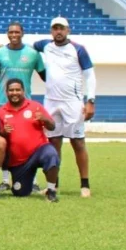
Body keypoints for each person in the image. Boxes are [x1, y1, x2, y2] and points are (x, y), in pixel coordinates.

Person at [33, 17, 96, 198]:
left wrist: (90, 100)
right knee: (53, 143)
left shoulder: (78, 49)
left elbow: (90, 76)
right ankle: (54, 184)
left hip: (73, 102)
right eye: (55, 29)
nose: (58, 32)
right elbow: (28, 48)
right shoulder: (44, 45)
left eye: (61, 28)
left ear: (68, 30)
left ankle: (85, 184)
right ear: (51, 31)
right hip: (51, 102)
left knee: (78, 142)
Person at [0, 79, 61, 202]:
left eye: (18, 90)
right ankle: (27, 178)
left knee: (51, 153)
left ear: (23, 91)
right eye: (11, 90)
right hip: (19, 162)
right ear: (6, 92)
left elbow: (52, 126)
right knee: (20, 192)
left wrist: (44, 119)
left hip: (39, 151)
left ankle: (51, 190)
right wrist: (3, 132)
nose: (15, 93)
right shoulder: (1, 112)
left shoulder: (35, 106)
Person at [0, 21, 47, 190]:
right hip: (3, 103)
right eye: (11, 32)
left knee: (30, 142)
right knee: (5, 141)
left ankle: (34, 180)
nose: (14, 35)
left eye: (17, 32)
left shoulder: (33, 53)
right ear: (7, 34)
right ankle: (6, 179)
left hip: (26, 106)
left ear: (22, 33)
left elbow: (45, 76)